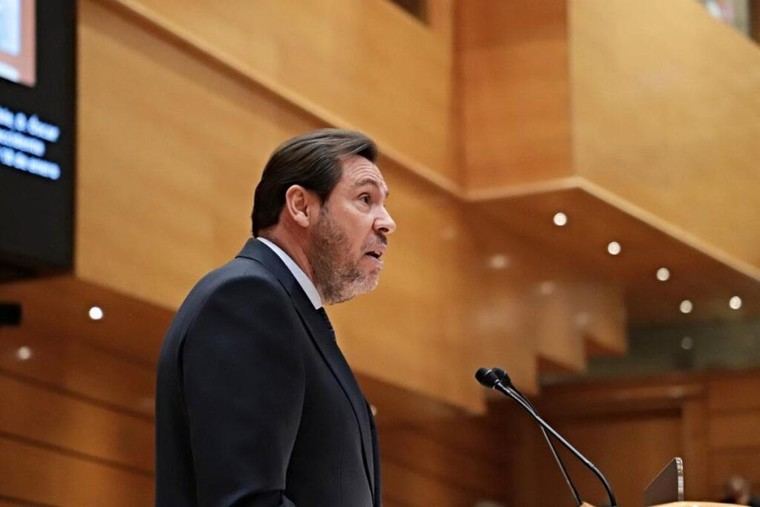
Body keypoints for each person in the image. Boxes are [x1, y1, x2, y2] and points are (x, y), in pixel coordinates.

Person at [155, 129, 396, 506]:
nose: (386, 222)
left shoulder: (288, 309)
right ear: (300, 206)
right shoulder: (247, 300)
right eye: (365, 199)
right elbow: (246, 501)